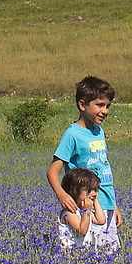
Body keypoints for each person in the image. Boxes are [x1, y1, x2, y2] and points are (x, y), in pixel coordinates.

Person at [47, 74, 119, 250]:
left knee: (109, 251)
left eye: (108, 106)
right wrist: (63, 196)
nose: (105, 111)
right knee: (90, 250)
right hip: (86, 203)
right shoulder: (72, 135)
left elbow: (103, 169)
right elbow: (52, 172)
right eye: (100, 105)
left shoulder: (99, 132)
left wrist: (113, 205)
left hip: (105, 203)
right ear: (82, 105)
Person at [55, 166, 114, 251]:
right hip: (69, 253)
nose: (93, 193)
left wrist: (95, 201)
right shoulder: (69, 212)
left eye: (95, 190)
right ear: (75, 191)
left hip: (84, 252)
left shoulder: (84, 210)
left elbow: (101, 220)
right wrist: (87, 211)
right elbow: (81, 231)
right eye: (88, 191)